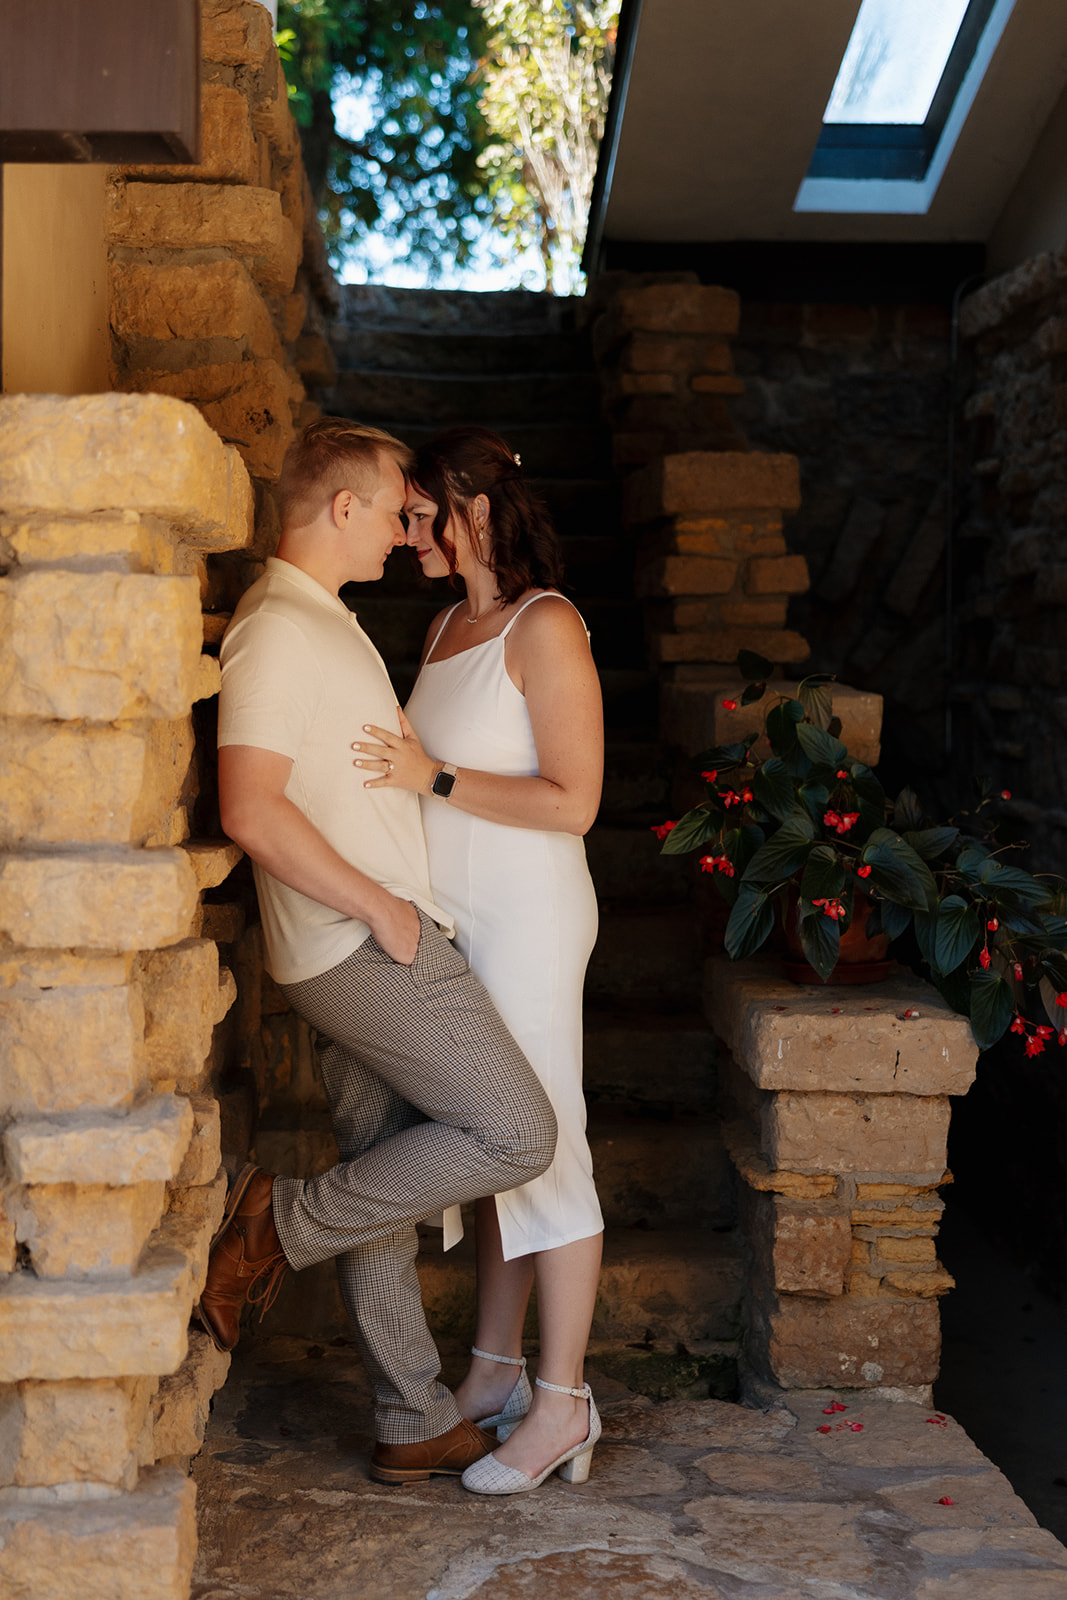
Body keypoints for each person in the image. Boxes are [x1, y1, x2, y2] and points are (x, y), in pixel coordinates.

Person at [201, 416, 558, 1486]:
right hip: (361, 943)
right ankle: (275, 1220)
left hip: (367, 935)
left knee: (384, 1179)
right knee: (516, 1131)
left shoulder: (322, 619)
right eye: (397, 515)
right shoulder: (277, 629)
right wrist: (382, 909)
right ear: (342, 506)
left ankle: (411, 1417)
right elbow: (250, 808)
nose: (409, 536)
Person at [349, 425, 605, 1496]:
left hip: (529, 915)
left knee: (547, 1145)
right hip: (454, 918)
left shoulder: (546, 625)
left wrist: (434, 778)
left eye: (423, 516)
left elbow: (573, 801)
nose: (410, 535)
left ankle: (563, 1400)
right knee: (491, 1141)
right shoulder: (448, 623)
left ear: (478, 509)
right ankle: (494, 1369)